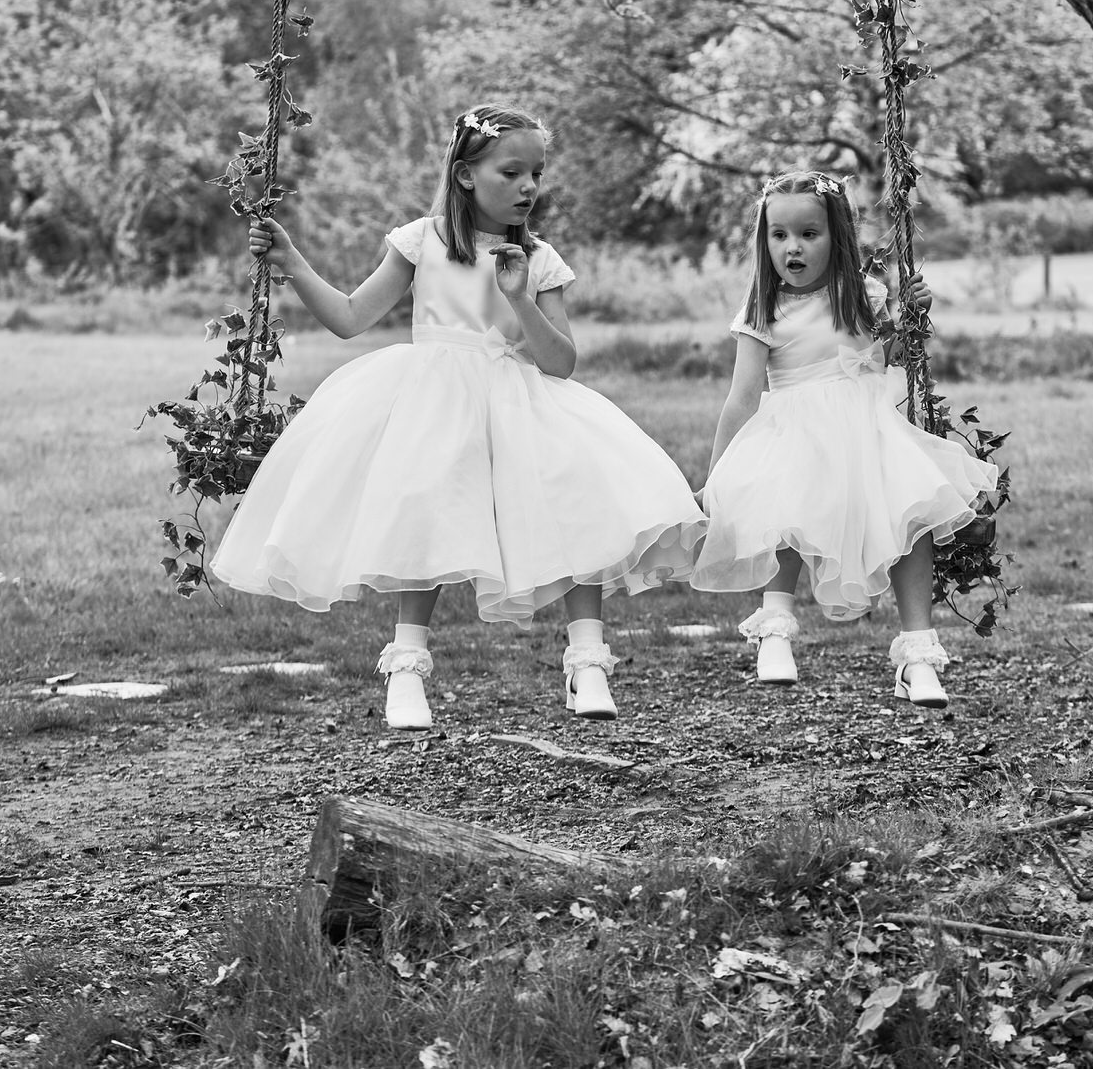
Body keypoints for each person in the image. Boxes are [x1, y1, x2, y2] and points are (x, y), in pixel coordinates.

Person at [212, 104, 706, 729]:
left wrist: (519, 297)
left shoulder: (540, 259)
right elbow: (348, 318)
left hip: (521, 399)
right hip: (435, 398)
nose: (529, 186)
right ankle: (407, 669)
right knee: (428, 510)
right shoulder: (423, 242)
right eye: (511, 172)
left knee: (576, 500)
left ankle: (588, 661)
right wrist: (291, 261)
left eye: (537, 173)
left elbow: (561, 362)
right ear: (467, 175)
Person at [692, 171, 1000, 708]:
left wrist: (911, 320)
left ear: (836, 235)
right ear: (764, 241)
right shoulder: (764, 310)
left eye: (809, 233)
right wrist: (718, 478)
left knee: (909, 516)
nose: (793, 246)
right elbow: (742, 396)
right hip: (794, 434)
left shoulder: (863, 294)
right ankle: (775, 628)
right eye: (779, 234)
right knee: (785, 507)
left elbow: (892, 359)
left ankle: (918, 654)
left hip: (867, 432)